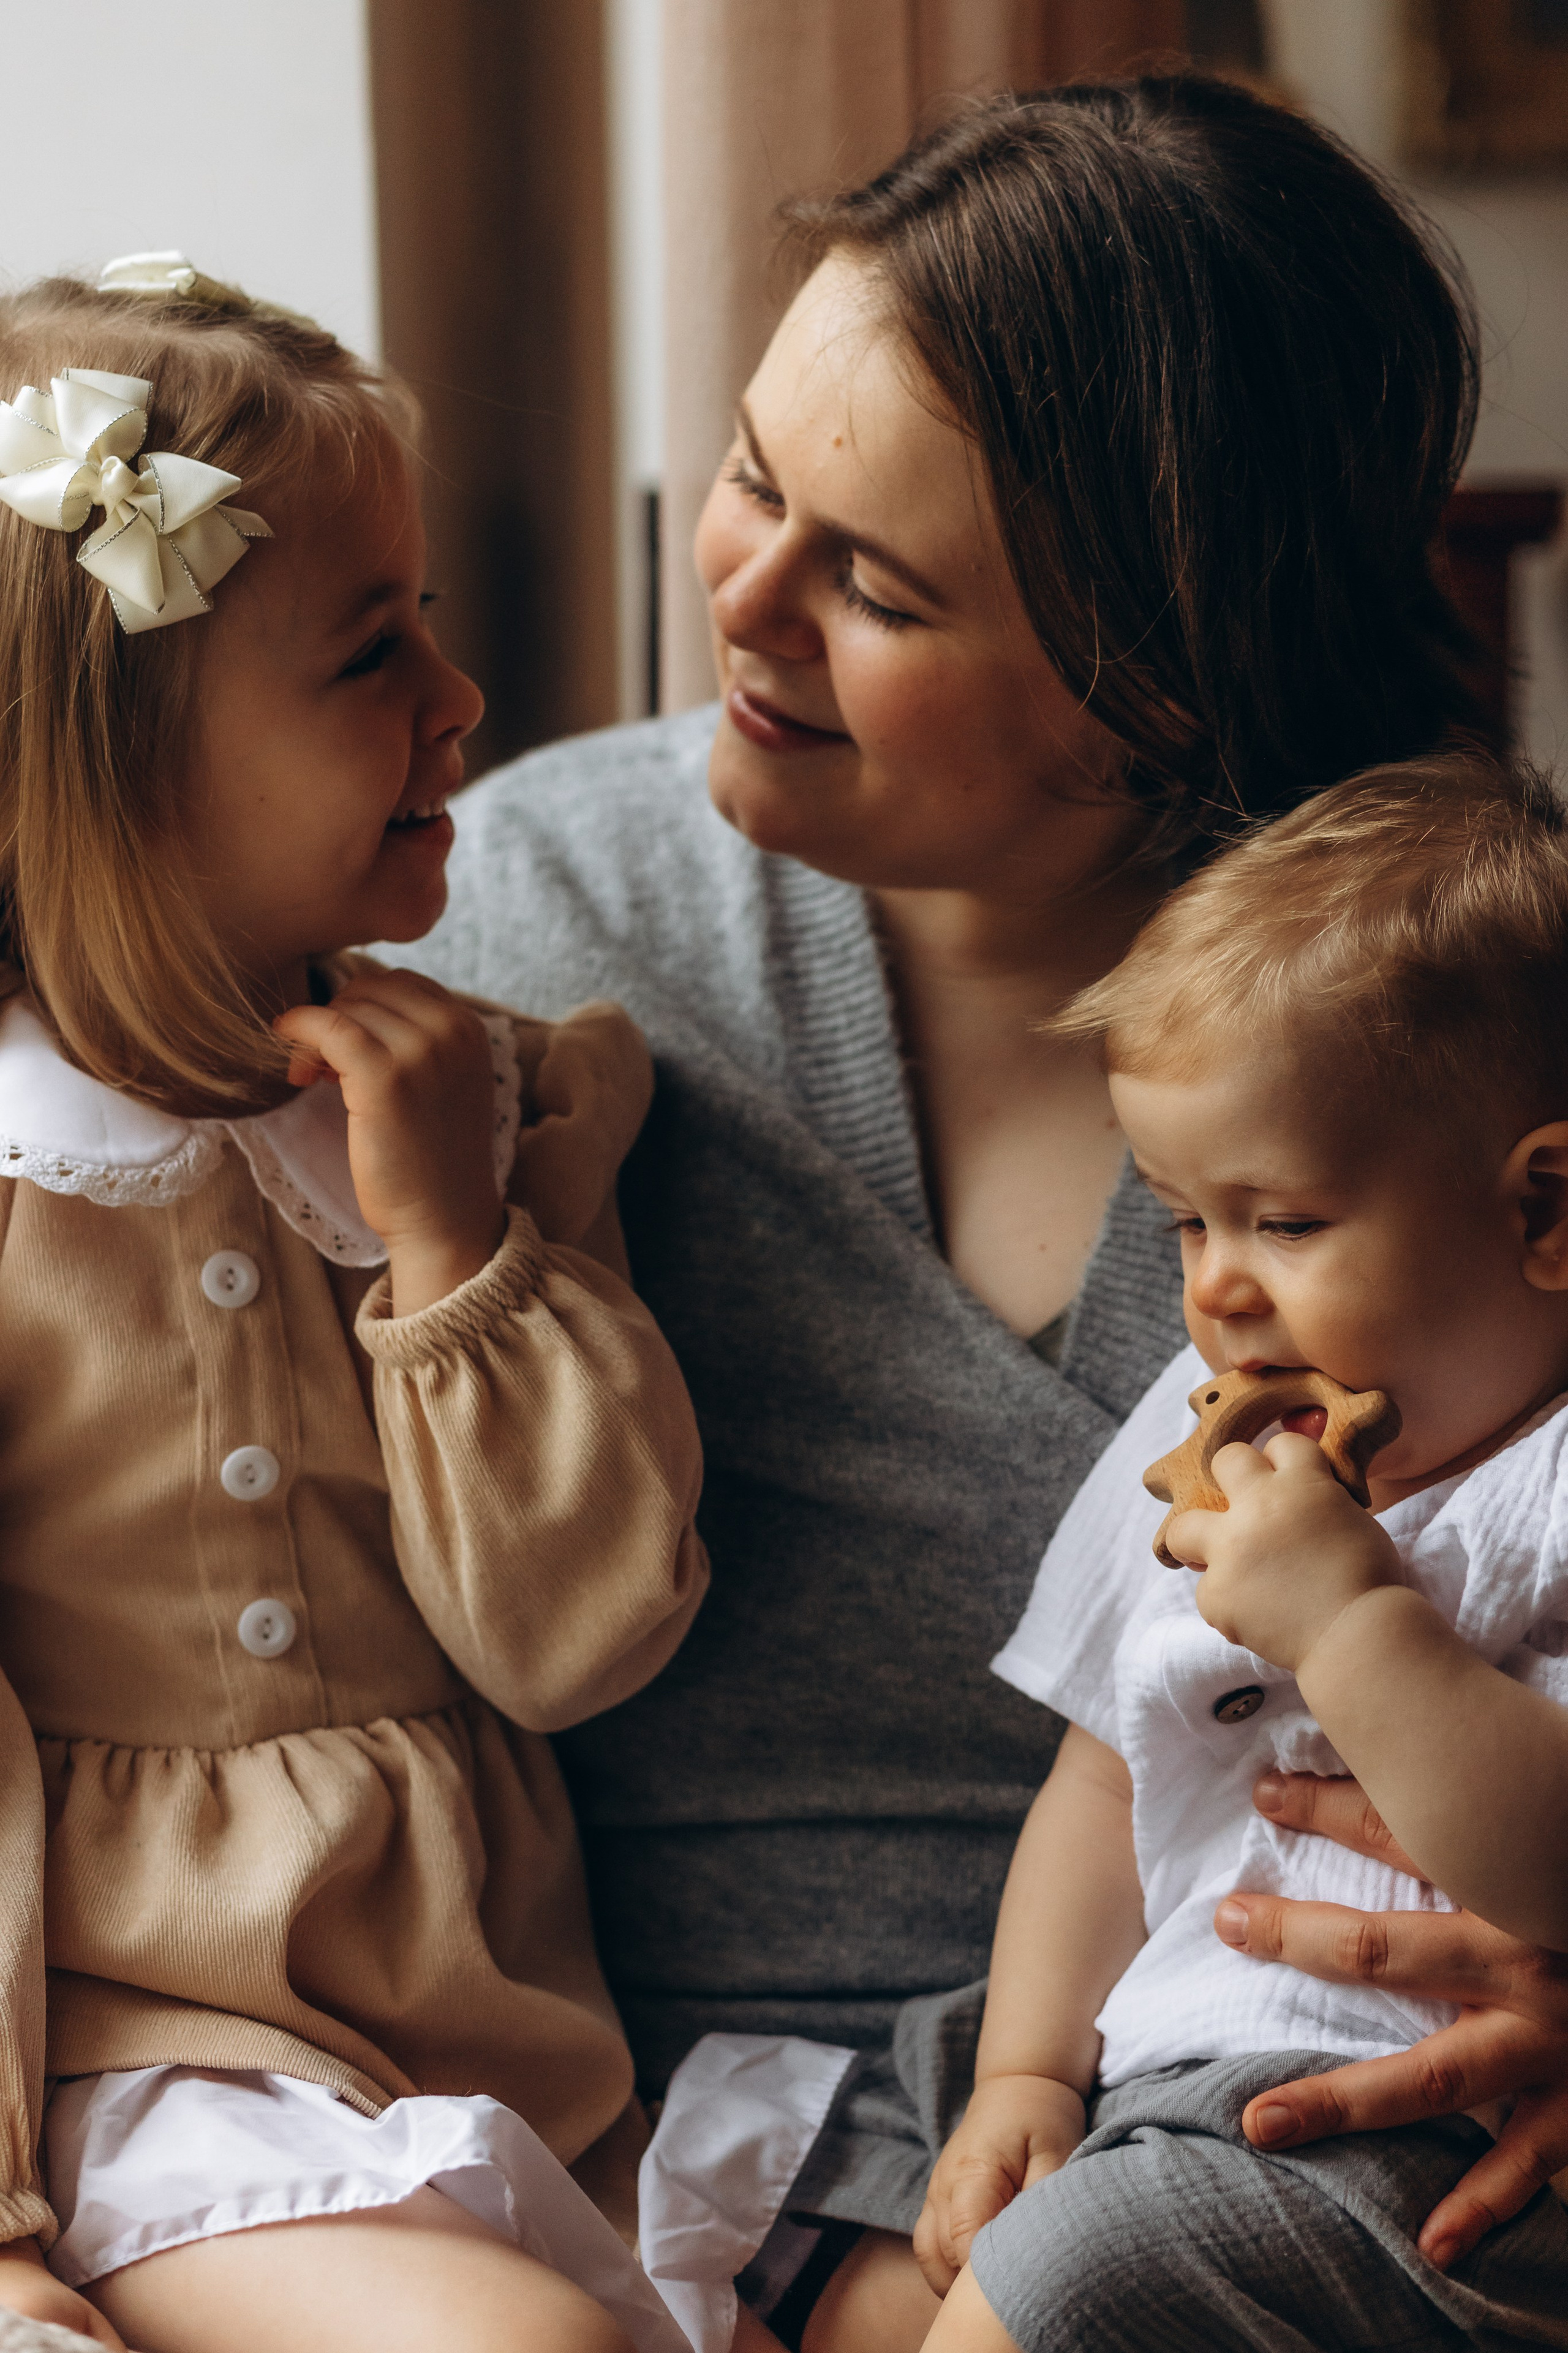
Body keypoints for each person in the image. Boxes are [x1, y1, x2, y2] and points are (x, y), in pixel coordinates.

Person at [408, 76, 1568, 2353]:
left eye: (878, 580)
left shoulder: (1456, 1033)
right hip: (760, 2138)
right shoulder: (520, 947)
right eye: (757, 475)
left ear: (1149, 689)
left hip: (1344, 2137)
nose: (737, 594)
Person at [0, 260, 706, 2353]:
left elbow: (579, 1640)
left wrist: (451, 1250)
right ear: (122, 763)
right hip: (123, 2060)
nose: (464, 699)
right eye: (373, 649)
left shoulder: (505, 1107)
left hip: (499, 2063)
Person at [916, 750, 1568, 2351]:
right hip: (1171, 2080)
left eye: (1283, 1221)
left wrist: (1355, 1625)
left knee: (1060, 2294)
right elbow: (1100, 1777)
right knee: (1002, 2194)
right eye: (1184, 1220)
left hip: (1437, 2124)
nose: (1217, 1290)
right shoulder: (1207, 1439)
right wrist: (1025, 2065)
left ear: (1545, 1213)